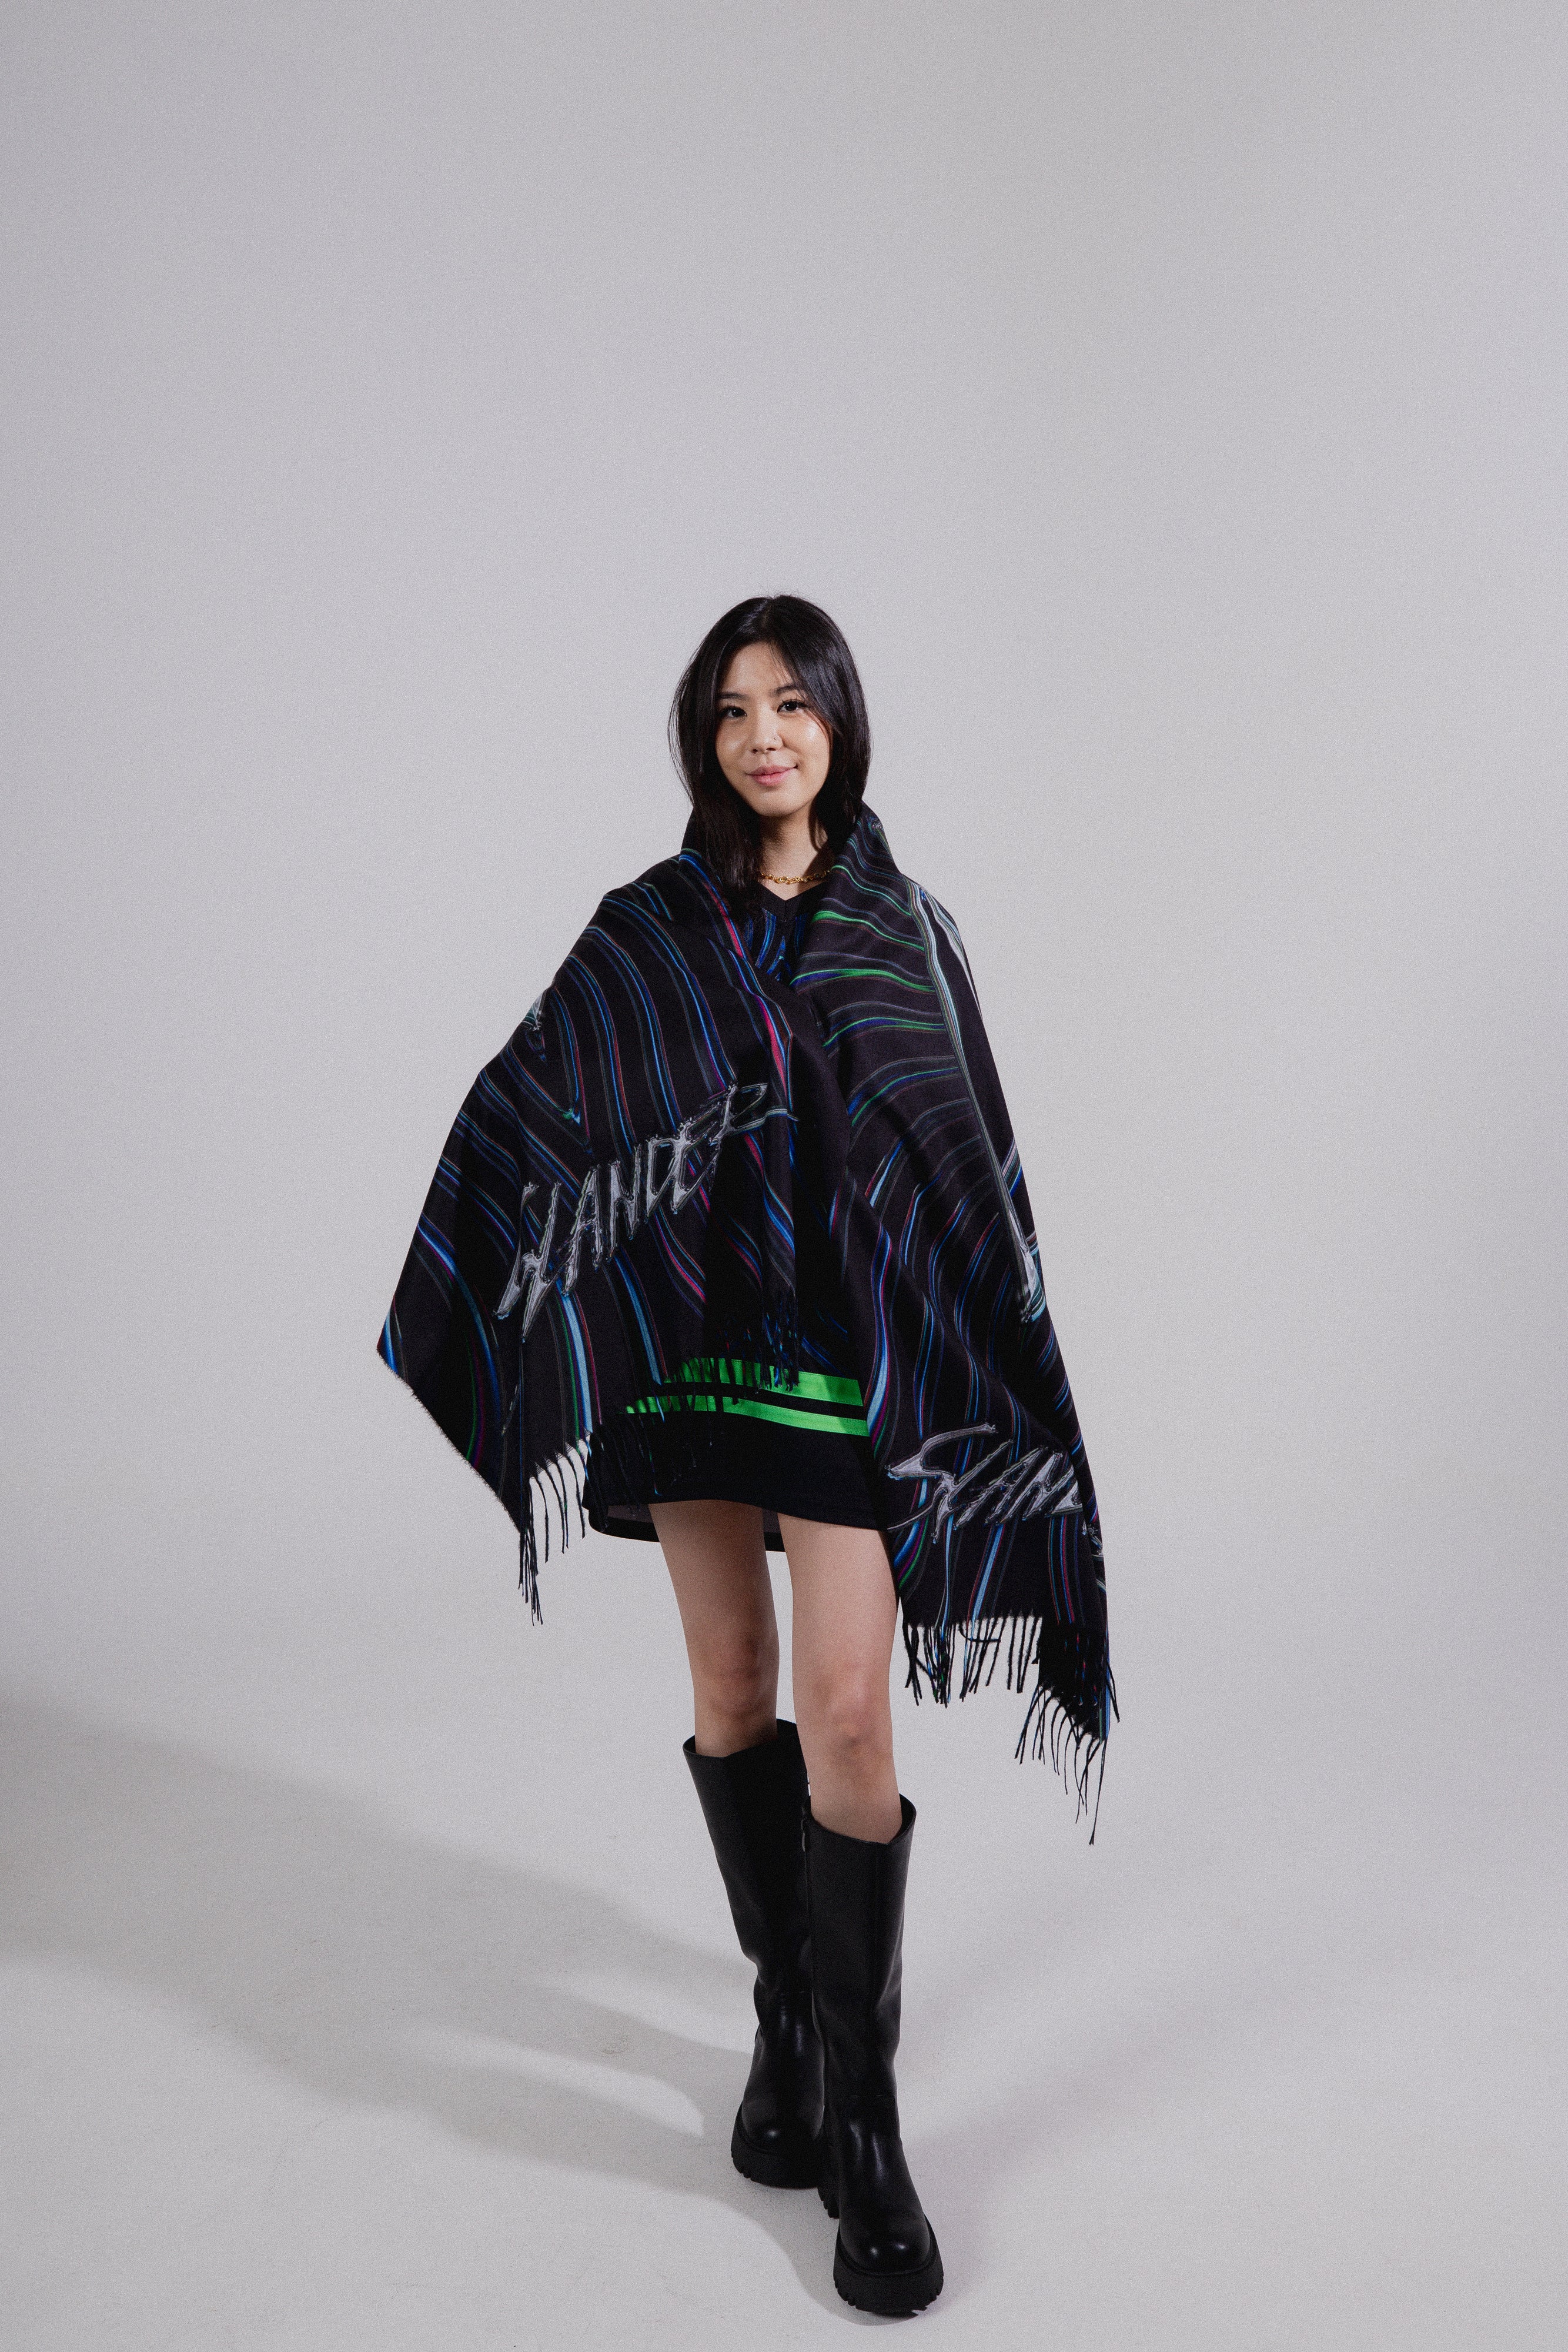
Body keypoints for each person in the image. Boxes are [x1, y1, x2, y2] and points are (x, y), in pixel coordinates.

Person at [379, 595, 1112, 2319]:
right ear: (703, 739)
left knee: (848, 1715)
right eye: (731, 711)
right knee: (731, 1681)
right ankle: (786, 2022)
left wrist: (974, 1352)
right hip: (690, 1355)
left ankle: (864, 2112)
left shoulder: (902, 930)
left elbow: (963, 1171)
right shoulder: (653, 921)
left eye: (792, 704)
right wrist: (512, 1269)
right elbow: (542, 1104)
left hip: (848, 1375)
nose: (763, 736)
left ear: (839, 722)